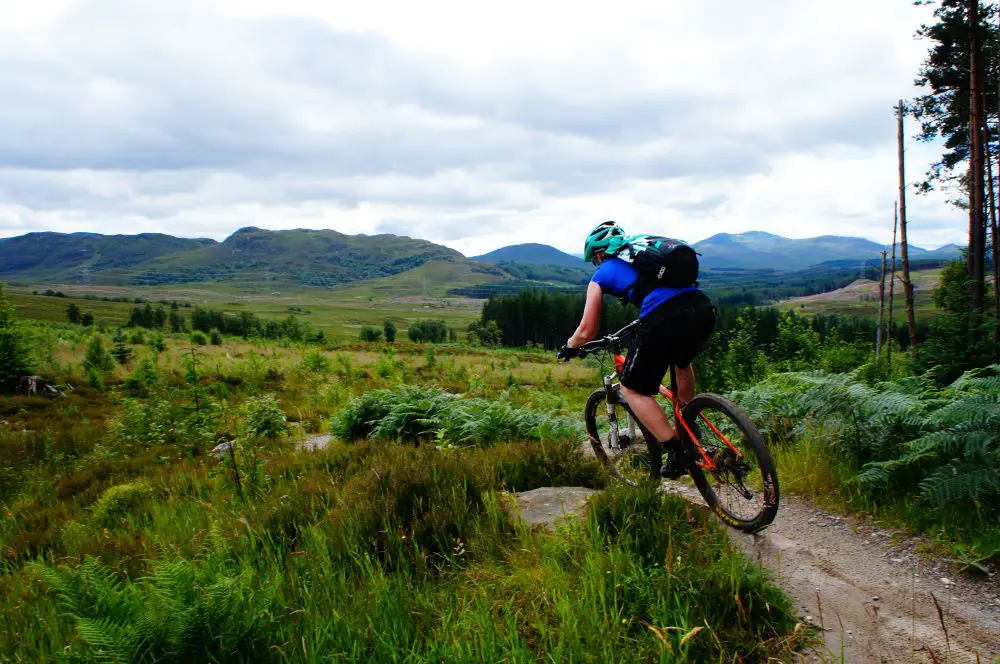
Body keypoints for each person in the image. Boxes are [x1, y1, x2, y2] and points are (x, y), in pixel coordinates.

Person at [558, 221, 716, 478]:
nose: (596, 264)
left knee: (631, 389)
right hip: (702, 309)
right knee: (681, 361)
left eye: (595, 259)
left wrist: (569, 347)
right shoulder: (644, 249)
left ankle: (677, 451)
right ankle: (688, 425)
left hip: (664, 316)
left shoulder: (602, 273)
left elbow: (587, 330)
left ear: (599, 254)